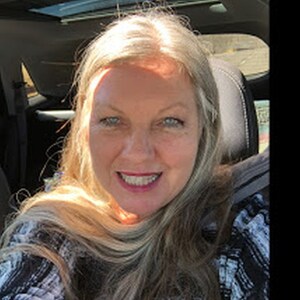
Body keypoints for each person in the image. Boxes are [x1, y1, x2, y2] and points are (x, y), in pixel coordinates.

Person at [0, 10, 269, 300]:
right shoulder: (52, 228)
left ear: (203, 130)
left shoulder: (239, 225)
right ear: (84, 130)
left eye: (169, 121)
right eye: (112, 121)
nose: (138, 153)